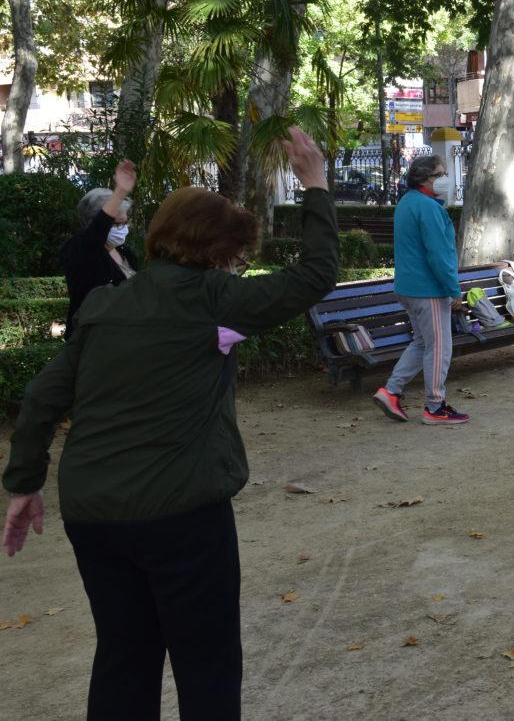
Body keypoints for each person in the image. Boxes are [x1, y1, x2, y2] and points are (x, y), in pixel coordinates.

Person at [2, 128, 338, 719]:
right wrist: (314, 184)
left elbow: (41, 398)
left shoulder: (106, 304)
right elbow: (314, 277)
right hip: (181, 511)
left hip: (94, 512)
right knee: (205, 661)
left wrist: (25, 482)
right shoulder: (212, 297)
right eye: (232, 254)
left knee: (123, 656)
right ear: (215, 251)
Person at [372, 155, 468, 425]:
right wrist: (454, 290)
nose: (446, 178)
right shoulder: (428, 207)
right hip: (429, 290)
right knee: (439, 347)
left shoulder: (407, 202)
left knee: (423, 342)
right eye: (441, 174)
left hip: (408, 287)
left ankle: (390, 392)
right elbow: (439, 255)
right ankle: (435, 408)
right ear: (426, 178)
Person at [61, 160, 139, 339]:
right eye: (116, 223)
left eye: (125, 223)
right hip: (93, 338)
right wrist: (119, 192)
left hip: (126, 338)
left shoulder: (126, 253)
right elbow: (96, 233)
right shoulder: (80, 249)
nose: (122, 228)